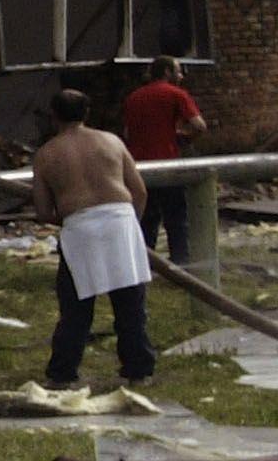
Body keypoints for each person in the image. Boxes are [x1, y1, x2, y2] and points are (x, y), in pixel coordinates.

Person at [32, 88, 156, 389]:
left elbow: (43, 210)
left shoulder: (47, 153)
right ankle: (137, 369)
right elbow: (139, 191)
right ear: (86, 113)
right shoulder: (111, 141)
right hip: (120, 219)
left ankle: (62, 372)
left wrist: (71, 217)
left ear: (54, 116)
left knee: (76, 308)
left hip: (81, 225)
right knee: (130, 304)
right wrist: (130, 226)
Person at [118, 55, 207, 263]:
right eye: (177, 71)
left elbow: (127, 132)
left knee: (146, 218)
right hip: (167, 163)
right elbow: (199, 125)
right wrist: (185, 139)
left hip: (139, 167)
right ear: (167, 72)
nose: (181, 75)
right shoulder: (176, 94)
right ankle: (180, 264)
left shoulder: (134, 97)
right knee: (176, 219)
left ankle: (144, 262)